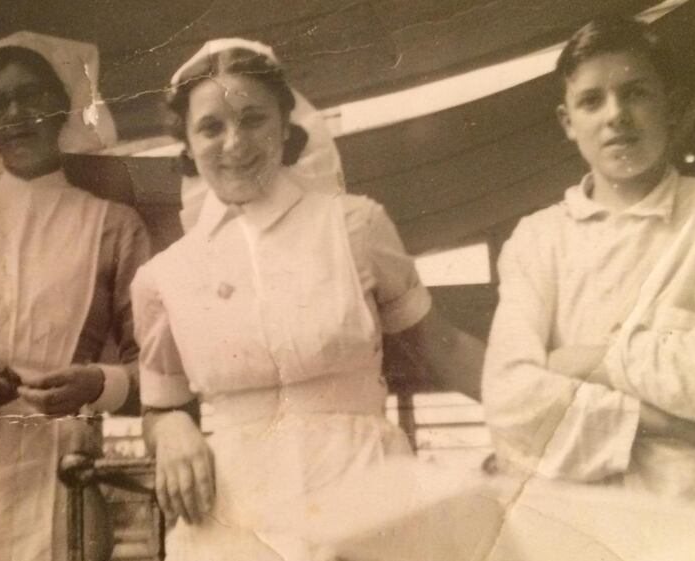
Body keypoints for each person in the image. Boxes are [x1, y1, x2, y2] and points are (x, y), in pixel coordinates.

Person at [132, 38, 484, 561]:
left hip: (366, 504)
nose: (234, 143)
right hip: (235, 523)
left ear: (284, 124)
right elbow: (158, 407)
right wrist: (170, 428)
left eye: (253, 119)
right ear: (186, 142)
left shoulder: (355, 227)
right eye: (211, 127)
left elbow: (444, 347)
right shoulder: (165, 277)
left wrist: (554, 420)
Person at [0, 31, 151, 561]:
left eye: (31, 95)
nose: (16, 114)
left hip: (59, 471)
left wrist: (97, 383)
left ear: (63, 105)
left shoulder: (114, 226)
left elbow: (161, 369)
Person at [483, 16, 695, 500]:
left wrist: (596, 361)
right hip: (574, 515)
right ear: (568, 121)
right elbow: (509, 400)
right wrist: (668, 424)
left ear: (670, 105)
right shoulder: (538, 240)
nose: (616, 115)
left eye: (636, 93)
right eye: (591, 101)